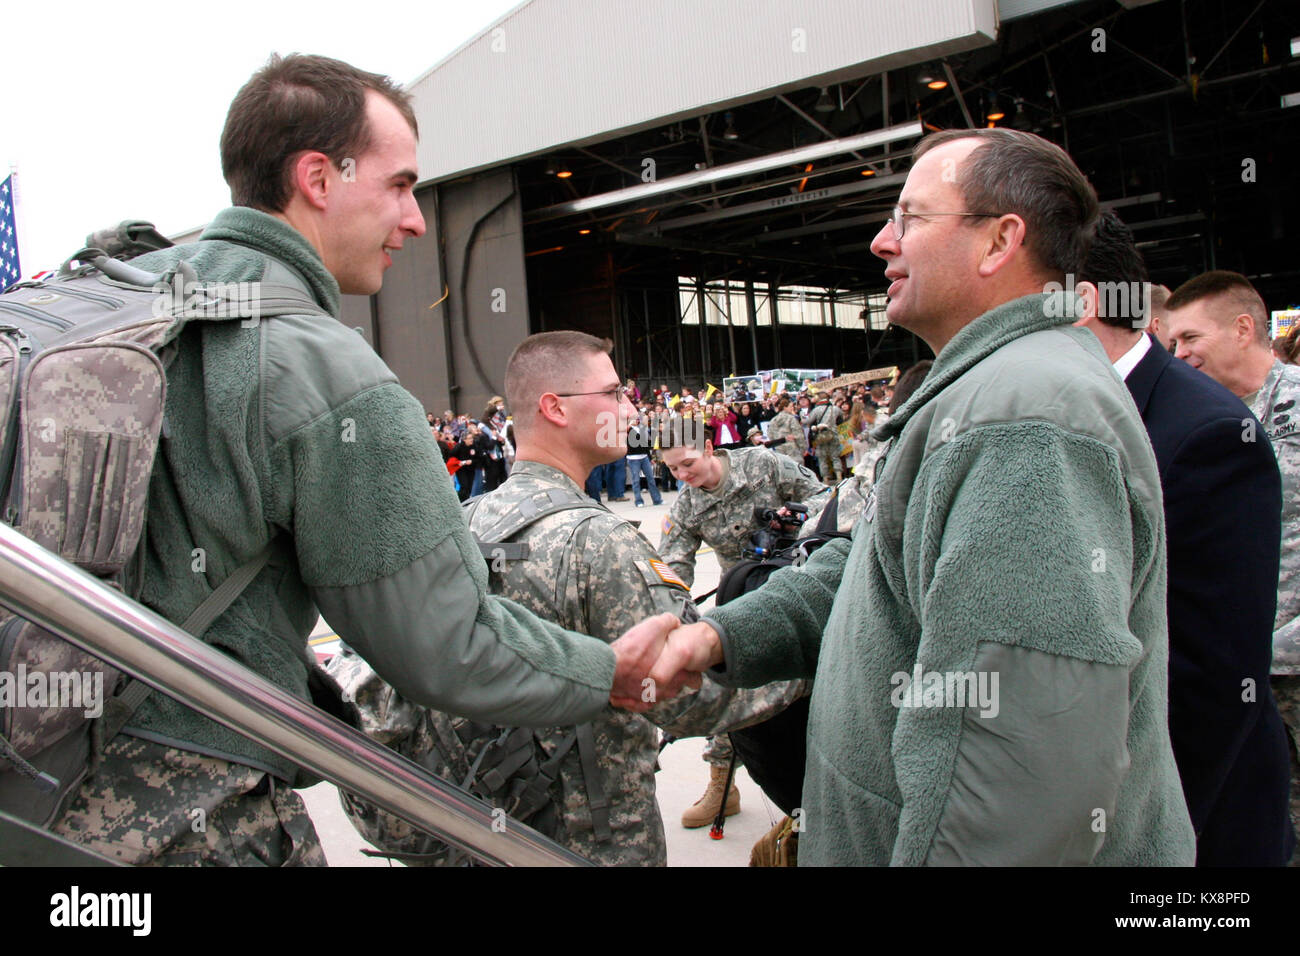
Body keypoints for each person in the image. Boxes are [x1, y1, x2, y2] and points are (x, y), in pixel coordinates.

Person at [46, 53, 670, 866]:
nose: (415, 220)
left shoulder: (114, 296)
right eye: (401, 184)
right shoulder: (326, 372)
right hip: (185, 813)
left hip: (34, 780)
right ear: (317, 177)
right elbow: (449, 641)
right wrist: (603, 672)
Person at [645, 128, 1195, 866]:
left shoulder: (1023, 417)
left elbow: (1011, 775)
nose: (880, 241)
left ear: (1000, 242)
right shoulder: (984, 395)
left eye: (909, 216)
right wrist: (722, 636)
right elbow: (874, 567)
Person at [341, 332, 804, 865]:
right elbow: (692, 699)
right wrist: (807, 648)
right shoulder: (599, 542)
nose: (630, 409)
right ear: (555, 408)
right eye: (612, 394)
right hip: (590, 842)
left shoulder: (464, 525)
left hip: (482, 834)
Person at [1076, 215, 1293, 865]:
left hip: (1192, 827)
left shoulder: (1203, 432)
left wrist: (1134, 841)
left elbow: (1208, 682)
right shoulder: (1082, 409)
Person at [1164, 270, 1300, 862]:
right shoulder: (1190, 420)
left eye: (1191, 338)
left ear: (1244, 329)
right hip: (1243, 667)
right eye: (1172, 344)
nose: (1180, 355)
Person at [658, 424, 828, 827]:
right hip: (740, 603)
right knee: (728, 685)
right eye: (673, 470)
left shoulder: (762, 464)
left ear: (710, 448)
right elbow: (673, 567)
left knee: (817, 685)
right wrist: (671, 616)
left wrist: (795, 524)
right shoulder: (687, 506)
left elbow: (824, 498)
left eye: (688, 463)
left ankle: (825, 780)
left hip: (795, 589)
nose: (683, 476)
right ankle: (722, 786)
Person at [625, 407, 663, 508]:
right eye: (634, 419)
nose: (637, 420)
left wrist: (650, 458)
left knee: (651, 479)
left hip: (644, 457)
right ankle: (638, 501)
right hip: (633, 458)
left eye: (637, 419)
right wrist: (629, 426)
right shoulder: (628, 430)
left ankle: (657, 499)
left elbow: (646, 444)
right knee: (636, 480)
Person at [765, 395, 806, 461]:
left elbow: (770, 435)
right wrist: (803, 448)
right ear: (784, 407)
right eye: (791, 406)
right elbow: (798, 435)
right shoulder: (792, 419)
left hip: (779, 450)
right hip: (792, 450)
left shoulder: (773, 420)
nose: (792, 408)